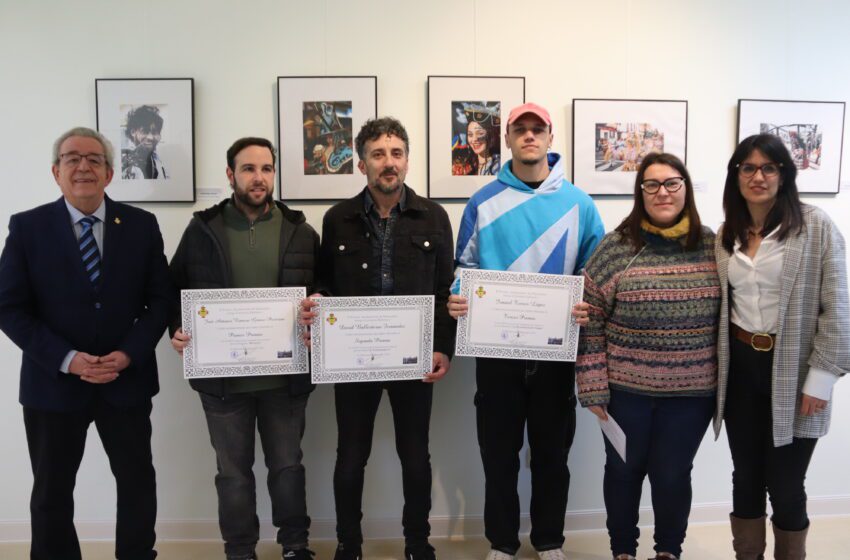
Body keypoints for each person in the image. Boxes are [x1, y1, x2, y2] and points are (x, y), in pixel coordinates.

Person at [0, 127, 171, 560]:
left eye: (94, 159)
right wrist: (68, 359)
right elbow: (8, 307)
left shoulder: (141, 225)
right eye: (72, 158)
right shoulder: (27, 227)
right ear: (56, 172)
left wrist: (129, 352)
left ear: (110, 173)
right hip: (53, 385)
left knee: (136, 482)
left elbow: (160, 299)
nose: (83, 166)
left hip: (125, 380)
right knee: (52, 491)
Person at [447, 102, 605, 560]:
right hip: (496, 354)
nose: (530, 136)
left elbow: (594, 277)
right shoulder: (482, 201)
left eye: (538, 129)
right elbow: (465, 268)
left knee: (552, 456)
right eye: (521, 129)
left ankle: (549, 539)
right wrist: (459, 295)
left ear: (551, 138)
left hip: (557, 354)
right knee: (499, 456)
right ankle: (502, 541)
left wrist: (586, 307)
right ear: (509, 139)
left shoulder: (580, 203)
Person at [300, 117, 455, 560]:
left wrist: (442, 346)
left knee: (416, 458)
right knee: (350, 458)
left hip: (415, 359)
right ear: (361, 162)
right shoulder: (337, 219)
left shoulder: (434, 216)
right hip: (353, 361)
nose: (389, 163)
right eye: (379, 154)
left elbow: (446, 289)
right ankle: (349, 544)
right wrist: (318, 303)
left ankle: (416, 542)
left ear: (407, 160)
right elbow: (325, 284)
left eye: (397, 153)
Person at [169, 137, 319, 560]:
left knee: (288, 467)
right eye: (249, 169)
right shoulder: (202, 230)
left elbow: (324, 289)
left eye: (267, 168)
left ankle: (295, 546)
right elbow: (171, 288)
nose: (259, 177)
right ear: (231, 175)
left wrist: (320, 302)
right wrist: (176, 328)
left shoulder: (301, 231)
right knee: (233, 474)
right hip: (222, 382)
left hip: (286, 378)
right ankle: (239, 550)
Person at [575, 153, 720, 560]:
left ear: (686, 188)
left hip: (691, 396)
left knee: (672, 476)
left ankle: (668, 551)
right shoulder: (615, 248)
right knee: (622, 472)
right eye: (651, 185)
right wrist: (592, 388)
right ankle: (623, 550)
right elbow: (591, 320)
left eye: (672, 183)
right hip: (625, 394)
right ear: (641, 193)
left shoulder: (713, 247)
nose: (662, 192)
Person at [714, 134, 849, 560]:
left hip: (794, 369)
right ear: (736, 175)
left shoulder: (815, 226)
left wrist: (823, 379)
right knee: (745, 479)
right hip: (739, 369)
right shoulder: (726, 233)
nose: (758, 176)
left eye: (769, 168)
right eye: (748, 168)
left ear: (784, 174)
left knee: (787, 484)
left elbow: (839, 308)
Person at [122, 104, 168, 179]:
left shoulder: (161, 161)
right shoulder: (123, 160)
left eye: (155, 132)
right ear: (133, 132)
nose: (151, 137)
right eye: (145, 131)